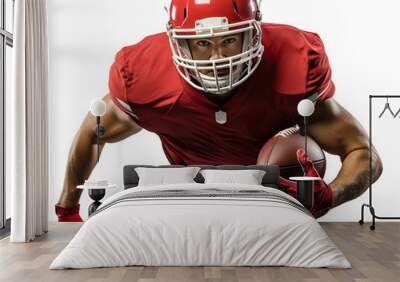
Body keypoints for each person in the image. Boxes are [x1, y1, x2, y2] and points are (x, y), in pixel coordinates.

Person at [55, 0, 383, 222]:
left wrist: (330, 196)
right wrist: (68, 209)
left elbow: (364, 154)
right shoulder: (143, 75)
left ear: (255, 33)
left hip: (270, 204)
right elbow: (92, 132)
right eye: (201, 43)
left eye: (229, 41)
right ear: (177, 43)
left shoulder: (292, 60)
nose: (216, 59)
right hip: (190, 200)